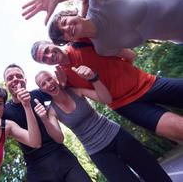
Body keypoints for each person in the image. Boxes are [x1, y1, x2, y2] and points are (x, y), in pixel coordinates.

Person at [31, 40, 183, 143]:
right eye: (44, 59)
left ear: (51, 43)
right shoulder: (64, 78)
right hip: (127, 105)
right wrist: (63, 85)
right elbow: (61, 94)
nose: (49, 56)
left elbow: (92, 9)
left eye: (47, 50)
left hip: (147, 83)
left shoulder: (80, 42)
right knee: (178, 129)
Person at [34, 70, 172, 182]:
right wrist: (44, 120)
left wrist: (94, 79)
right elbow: (59, 139)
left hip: (116, 135)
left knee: (152, 171)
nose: (48, 84)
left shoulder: (76, 91)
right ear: (42, 90)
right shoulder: (51, 112)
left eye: (49, 79)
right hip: (98, 152)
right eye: (43, 84)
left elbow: (106, 99)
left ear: (54, 78)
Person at [22, 0, 183, 56]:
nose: (67, 28)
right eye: (64, 34)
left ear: (74, 14)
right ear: (71, 39)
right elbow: (131, 57)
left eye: (64, 22)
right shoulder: (103, 49)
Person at [3, 64, 92, 181]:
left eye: (19, 76)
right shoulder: (4, 110)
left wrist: (63, 81)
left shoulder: (37, 94)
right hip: (36, 166)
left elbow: (60, 89)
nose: (15, 79)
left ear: (25, 80)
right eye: (10, 78)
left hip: (61, 154)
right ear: (5, 84)